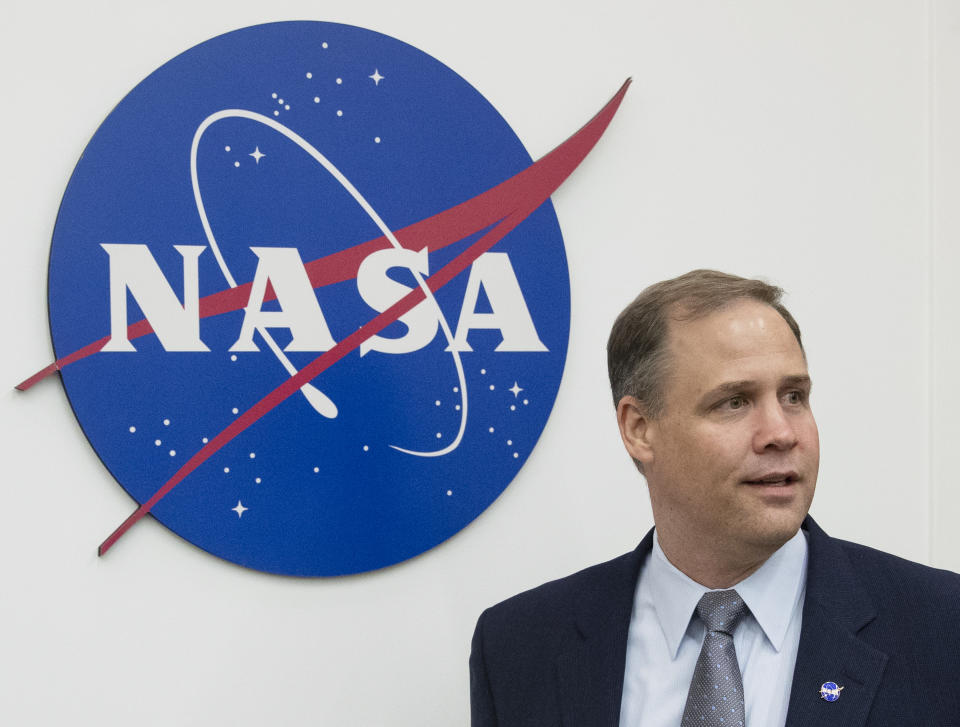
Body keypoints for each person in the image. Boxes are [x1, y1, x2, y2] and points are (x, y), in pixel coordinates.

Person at [469, 269, 960, 726]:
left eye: (794, 396)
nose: (780, 433)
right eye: (734, 402)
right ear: (639, 429)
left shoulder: (941, 629)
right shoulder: (518, 646)